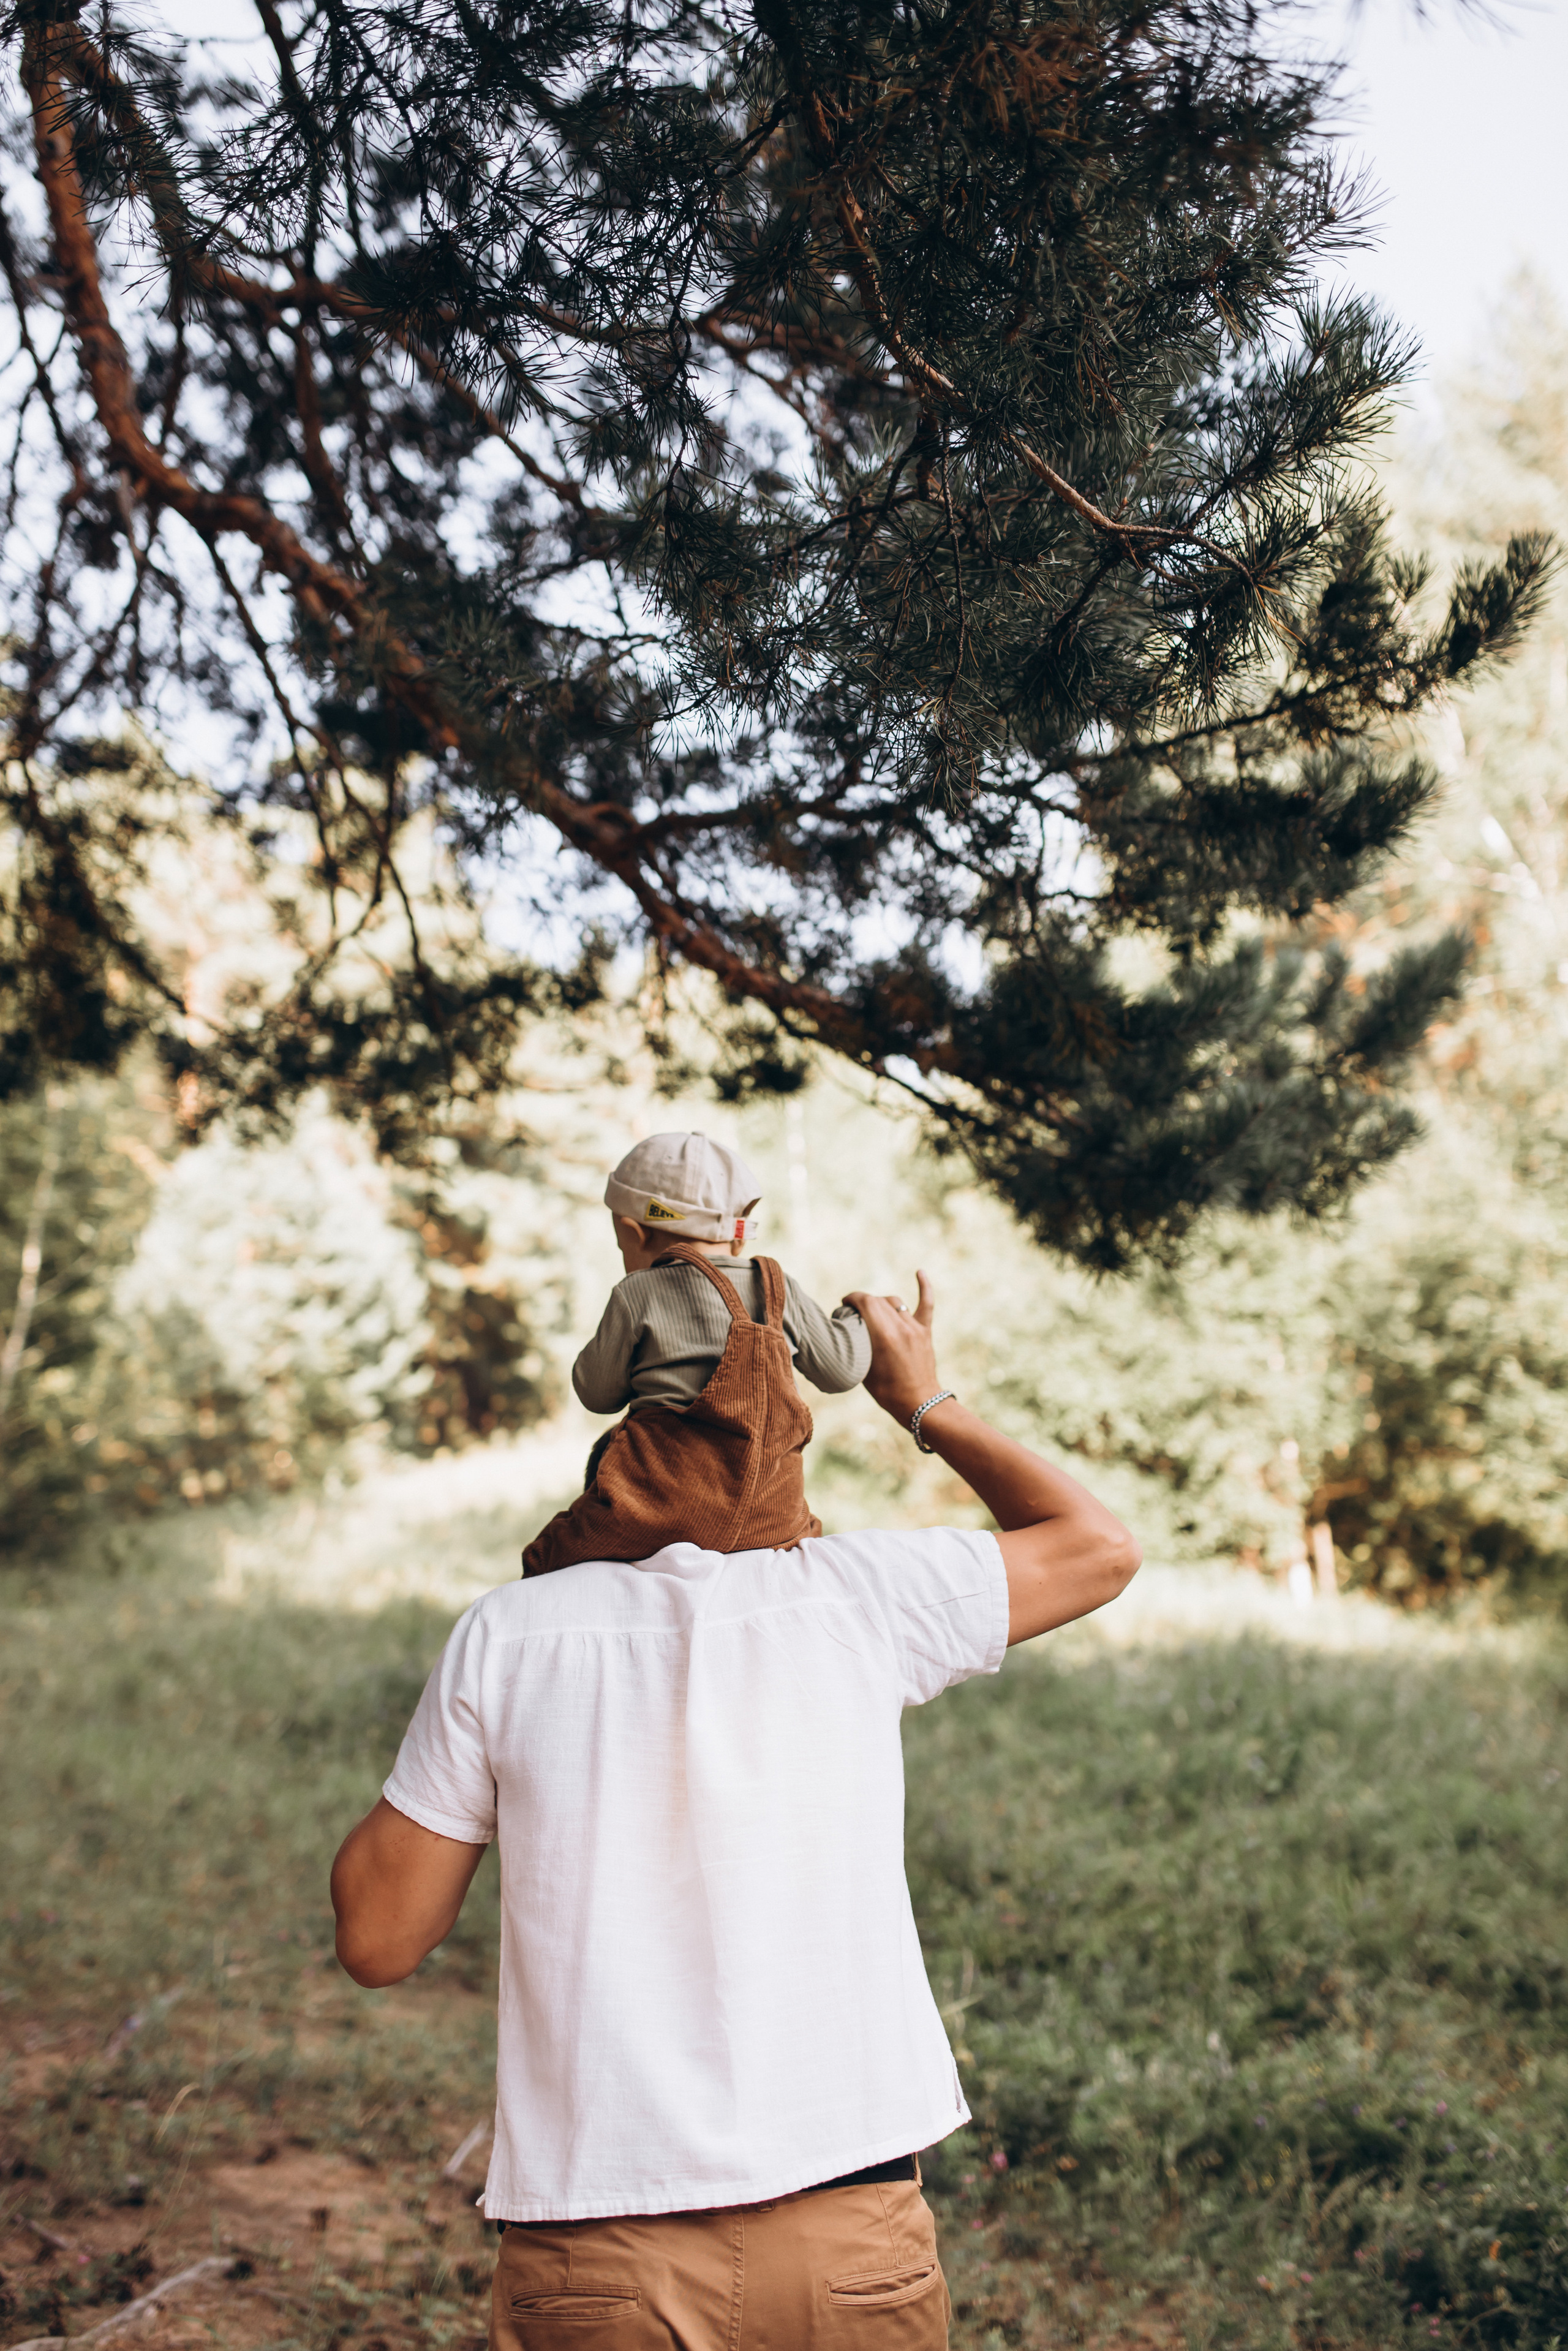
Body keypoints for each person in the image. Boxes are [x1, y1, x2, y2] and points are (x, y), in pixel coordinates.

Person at [331, 1274, 1140, 2351]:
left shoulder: (510, 1636)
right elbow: (1098, 1546)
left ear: (624, 1433)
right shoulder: (859, 1598)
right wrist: (923, 1401)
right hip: (850, 2238)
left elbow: (378, 1939)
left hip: (597, 2250)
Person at [522, 1131, 870, 1577]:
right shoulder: (777, 1287)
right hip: (770, 1519)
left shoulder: (637, 1293)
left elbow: (597, 1394)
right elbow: (842, 1370)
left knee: (546, 1558)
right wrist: (856, 1314)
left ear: (633, 1231)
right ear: (739, 1238)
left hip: (657, 1512)